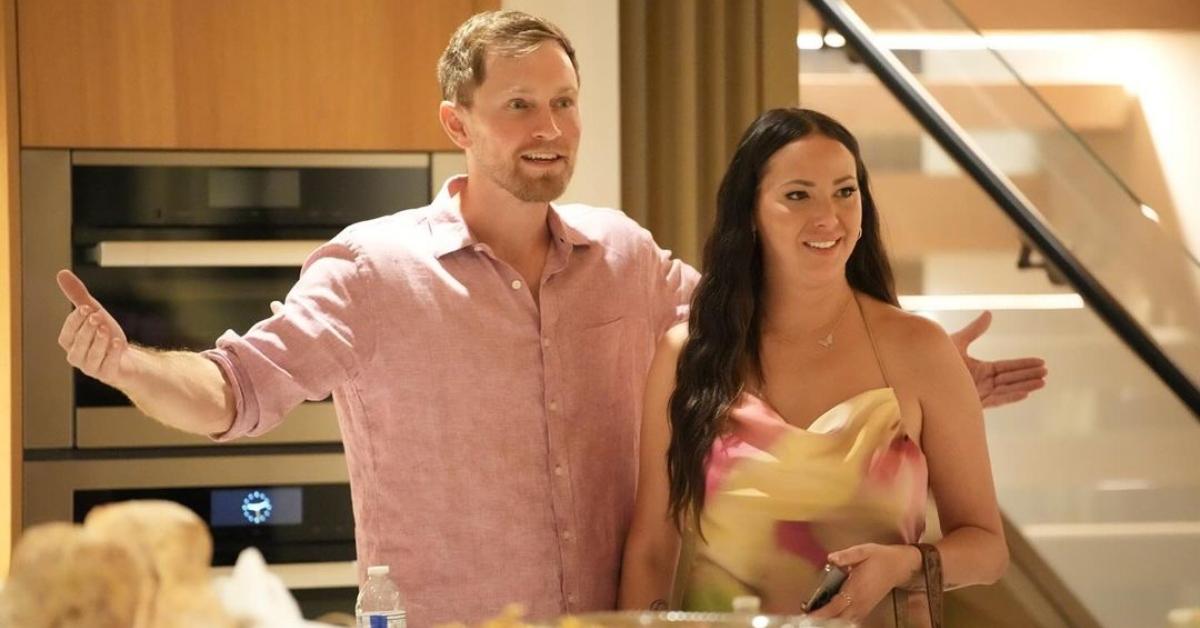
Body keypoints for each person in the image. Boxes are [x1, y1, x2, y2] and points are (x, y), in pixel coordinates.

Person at [53, 11, 1039, 627]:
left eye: (565, 102)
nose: (550, 129)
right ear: (458, 122)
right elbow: (236, 390)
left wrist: (912, 373)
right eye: (520, 104)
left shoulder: (623, 256)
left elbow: (771, 333)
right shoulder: (372, 269)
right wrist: (132, 364)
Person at [618, 109, 1009, 625]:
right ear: (751, 212)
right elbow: (652, 547)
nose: (829, 217)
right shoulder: (687, 354)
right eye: (798, 195)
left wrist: (904, 564)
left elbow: (987, 549)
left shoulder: (920, 349)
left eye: (846, 192)